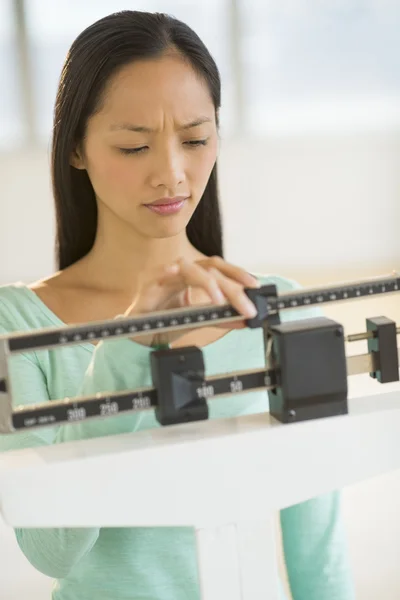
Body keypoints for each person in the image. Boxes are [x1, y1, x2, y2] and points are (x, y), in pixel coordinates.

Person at [0, 10, 355, 600]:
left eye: (195, 139)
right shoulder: (17, 325)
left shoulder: (275, 307)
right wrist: (128, 342)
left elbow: (318, 554)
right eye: (134, 145)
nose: (171, 173)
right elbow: (51, 548)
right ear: (77, 150)